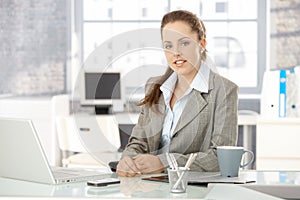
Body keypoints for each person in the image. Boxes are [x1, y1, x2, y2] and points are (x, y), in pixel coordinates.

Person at [116, 10, 238, 177]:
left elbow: (220, 157)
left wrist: (163, 163)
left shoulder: (224, 90)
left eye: (184, 43)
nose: (176, 52)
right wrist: (127, 160)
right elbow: (139, 142)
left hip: (194, 189)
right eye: (168, 46)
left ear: (201, 45)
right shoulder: (155, 86)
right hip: (149, 187)